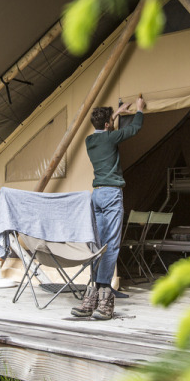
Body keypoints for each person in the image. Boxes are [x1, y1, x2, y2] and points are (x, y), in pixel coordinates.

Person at [72, 96, 145, 320]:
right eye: (110, 122)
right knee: (111, 245)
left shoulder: (89, 142)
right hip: (112, 194)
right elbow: (135, 127)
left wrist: (114, 113)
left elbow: (102, 128)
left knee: (98, 245)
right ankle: (104, 298)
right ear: (107, 125)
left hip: (96, 196)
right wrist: (139, 109)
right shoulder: (112, 138)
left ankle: (91, 294)